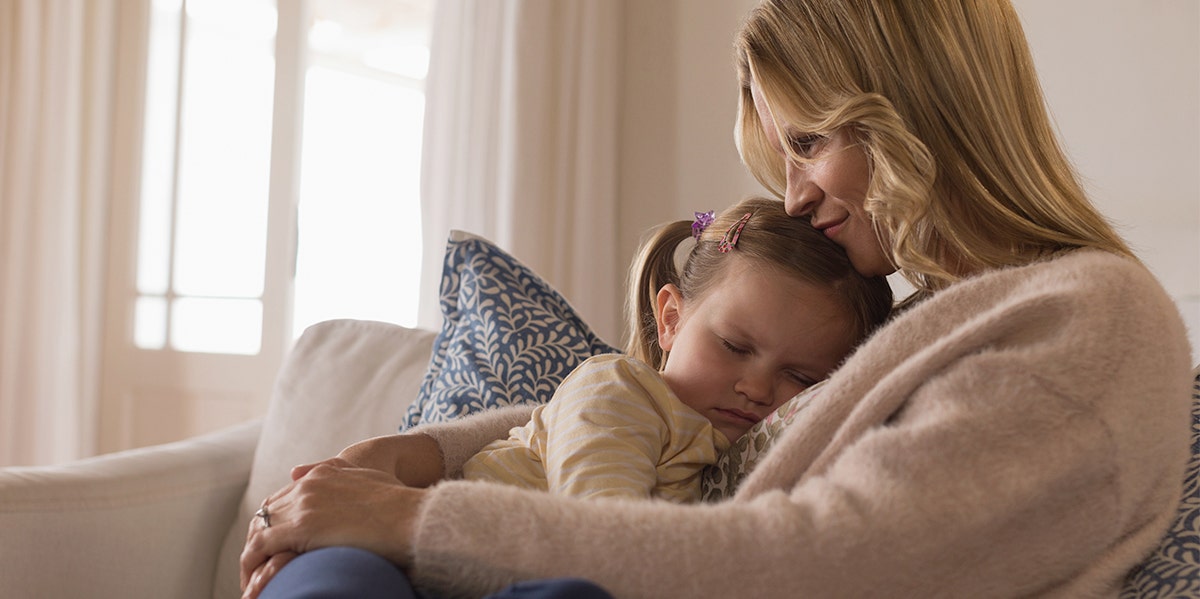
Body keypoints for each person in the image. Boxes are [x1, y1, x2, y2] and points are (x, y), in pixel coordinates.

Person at [241, 2, 1194, 598]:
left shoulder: (1087, 320)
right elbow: (666, 421)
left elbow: (813, 562)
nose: (795, 195)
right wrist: (404, 458)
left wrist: (410, 519)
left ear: (920, 110)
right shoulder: (937, 312)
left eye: (812, 140)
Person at [462, 197, 892, 503]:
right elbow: (598, 524)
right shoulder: (619, 389)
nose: (758, 388)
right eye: (734, 346)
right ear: (671, 319)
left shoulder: (729, 458)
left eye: (801, 377)